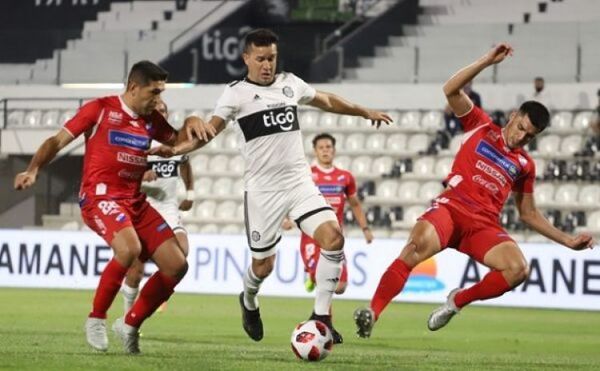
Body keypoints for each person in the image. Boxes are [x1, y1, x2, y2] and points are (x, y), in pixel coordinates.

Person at [151, 28, 392, 344]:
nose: (267, 65)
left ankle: (321, 317)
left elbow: (327, 99)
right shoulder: (235, 94)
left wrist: (364, 111)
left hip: (298, 182)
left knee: (333, 237)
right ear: (246, 58)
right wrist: (175, 149)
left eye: (272, 58)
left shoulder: (290, 84)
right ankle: (249, 299)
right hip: (263, 191)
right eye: (261, 59)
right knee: (263, 266)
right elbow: (208, 132)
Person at [354, 44, 595, 338]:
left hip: (482, 226)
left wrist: (567, 241)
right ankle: (373, 313)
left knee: (517, 270)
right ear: (513, 115)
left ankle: (457, 301)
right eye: (520, 128)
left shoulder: (525, 165)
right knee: (414, 249)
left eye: (529, 136)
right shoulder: (479, 125)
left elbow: (528, 213)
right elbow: (450, 90)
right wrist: (486, 61)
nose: (521, 138)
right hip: (451, 210)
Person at [14, 61, 206, 354]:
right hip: (100, 197)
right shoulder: (99, 109)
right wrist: (33, 170)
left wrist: (191, 121)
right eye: (154, 92)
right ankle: (96, 318)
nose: (158, 99)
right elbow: (57, 140)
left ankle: (130, 323)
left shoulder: (151, 119)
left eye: (162, 92)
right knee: (128, 249)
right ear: (133, 87)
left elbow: (179, 143)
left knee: (177, 266)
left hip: (135, 201)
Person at [120, 99, 194, 315]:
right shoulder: (137, 141)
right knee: (136, 268)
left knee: (182, 254)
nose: (161, 114)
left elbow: (186, 165)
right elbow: (122, 176)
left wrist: (190, 193)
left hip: (169, 209)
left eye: (164, 110)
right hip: (142, 210)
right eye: (157, 111)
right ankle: (128, 314)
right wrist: (141, 177)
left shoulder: (175, 142)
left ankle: (153, 295)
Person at [283, 133, 373, 294]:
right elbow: (291, 197)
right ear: (315, 151)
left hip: (335, 238)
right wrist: (287, 218)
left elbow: (355, 204)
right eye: (321, 148)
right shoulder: (307, 175)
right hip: (312, 236)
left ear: (334, 150)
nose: (325, 151)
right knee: (325, 281)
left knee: (340, 286)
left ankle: (311, 277)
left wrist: (365, 229)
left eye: (328, 147)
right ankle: (323, 317)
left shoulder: (345, 177)